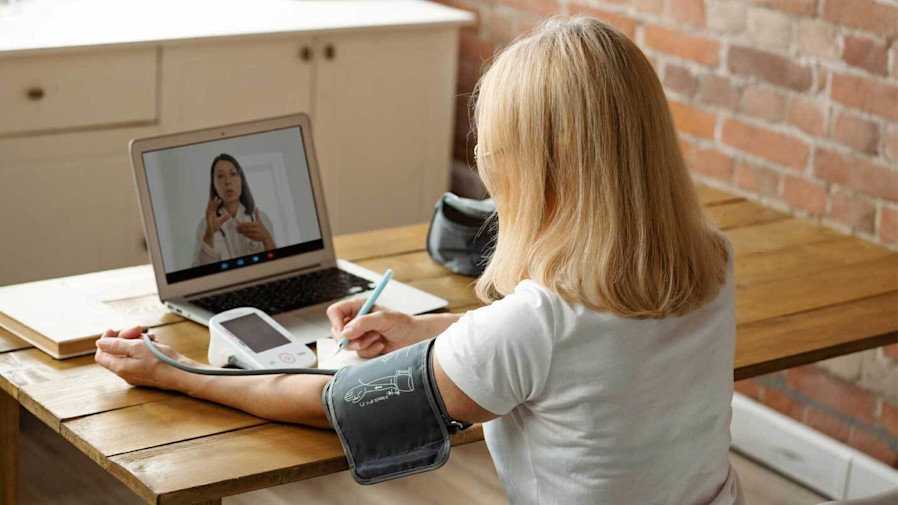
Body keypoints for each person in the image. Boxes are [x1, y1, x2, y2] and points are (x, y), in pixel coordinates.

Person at [95, 17, 741, 505]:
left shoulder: (534, 323)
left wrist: (171, 370)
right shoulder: (710, 263)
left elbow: (335, 402)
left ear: (542, 178)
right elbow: (575, 348)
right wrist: (426, 332)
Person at [192, 153, 277, 267]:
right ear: (214, 184)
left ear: (241, 180)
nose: (228, 181)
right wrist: (209, 234)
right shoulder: (205, 226)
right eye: (220, 176)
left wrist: (267, 239)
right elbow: (200, 276)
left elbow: (277, 266)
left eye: (233, 174)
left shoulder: (261, 219)